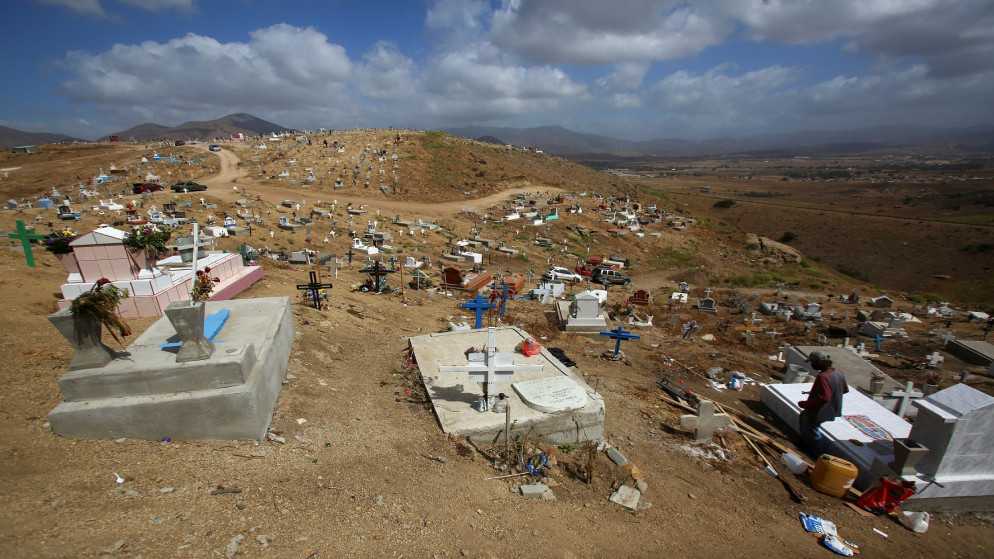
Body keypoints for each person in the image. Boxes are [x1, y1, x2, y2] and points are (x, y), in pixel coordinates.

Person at [797, 351, 848, 457]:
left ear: (820, 362)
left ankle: (817, 454)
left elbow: (824, 398)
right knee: (803, 417)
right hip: (833, 408)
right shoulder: (838, 372)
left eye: (813, 362)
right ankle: (805, 442)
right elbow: (844, 389)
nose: (811, 365)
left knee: (813, 430)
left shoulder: (823, 377)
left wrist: (805, 404)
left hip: (820, 411)